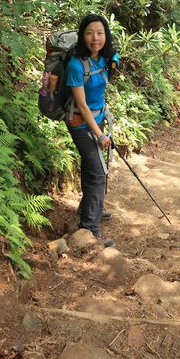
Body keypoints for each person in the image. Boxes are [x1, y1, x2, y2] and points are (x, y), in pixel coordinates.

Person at [65, 13, 119, 246]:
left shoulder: (104, 58)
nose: (95, 38)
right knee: (98, 173)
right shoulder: (76, 65)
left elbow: (114, 55)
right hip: (81, 124)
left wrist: (114, 60)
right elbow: (82, 106)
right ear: (82, 36)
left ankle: (89, 208)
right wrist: (99, 135)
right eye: (89, 33)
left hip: (98, 120)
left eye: (100, 33)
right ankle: (89, 227)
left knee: (92, 168)